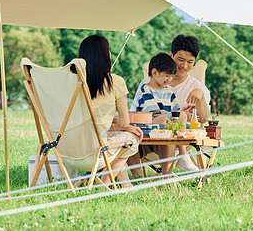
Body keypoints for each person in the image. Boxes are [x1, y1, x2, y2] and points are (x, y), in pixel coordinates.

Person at [130, 35, 211, 172]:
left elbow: (203, 119)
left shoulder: (197, 87)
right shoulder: (149, 83)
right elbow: (138, 112)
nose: (184, 66)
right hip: (147, 138)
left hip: (174, 139)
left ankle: (175, 165)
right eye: (180, 59)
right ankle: (140, 176)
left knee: (172, 127)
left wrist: (200, 96)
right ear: (171, 55)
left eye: (190, 62)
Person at [77, 35, 143, 186]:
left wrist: (118, 126)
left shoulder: (74, 82)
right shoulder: (115, 82)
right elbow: (124, 122)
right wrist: (128, 127)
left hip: (71, 149)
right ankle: (105, 182)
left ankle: (126, 185)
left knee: (123, 135)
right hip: (95, 149)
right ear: (105, 56)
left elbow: (90, 123)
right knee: (131, 139)